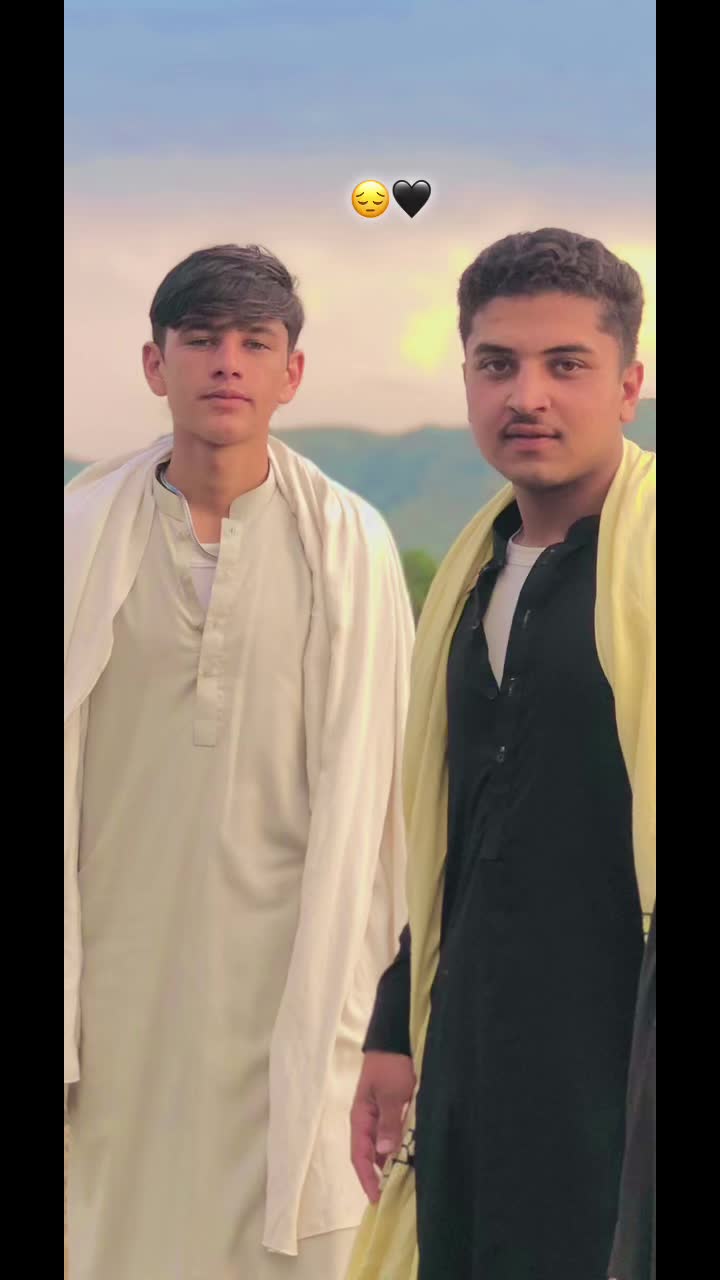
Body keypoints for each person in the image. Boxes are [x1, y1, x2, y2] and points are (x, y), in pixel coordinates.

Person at [64, 244, 415, 1279]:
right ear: (154, 363)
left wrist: (387, 1004)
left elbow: (391, 796)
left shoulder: (352, 545)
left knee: (303, 1230)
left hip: (302, 976)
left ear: (290, 373)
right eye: (202, 339)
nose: (227, 362)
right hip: (119, 978)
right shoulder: (79, 540)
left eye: (255, 343)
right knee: (124, 1226)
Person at [347, 228, 656, 1280]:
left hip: (619, 1067)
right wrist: (395, 1027)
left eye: (567, 364)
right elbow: (457, 829)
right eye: (497, 364)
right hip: (475, 1053)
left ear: (628, 385)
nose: (528, 395)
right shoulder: (470, 575)